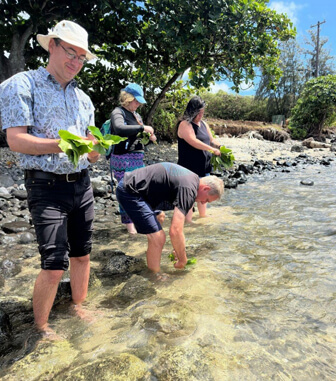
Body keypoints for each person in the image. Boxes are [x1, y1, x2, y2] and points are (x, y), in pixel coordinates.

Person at [0, 20, 100, 336]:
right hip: (45, 185)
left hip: (82, 184)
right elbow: (16, 140)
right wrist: (64, 143)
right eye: (71, 52)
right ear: (52, 45)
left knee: (82, 255)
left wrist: (96, 148)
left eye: (82, 57)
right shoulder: (21, 85)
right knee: (54, 265)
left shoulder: (84, 100)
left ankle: (77, 306)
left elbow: (92, 154)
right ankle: (41, 328)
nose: (76, 62)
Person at [115, 163, 224, 272]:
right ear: (205, 188)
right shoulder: (188, 189)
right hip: (130, 191)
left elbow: (178, 227)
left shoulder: (192, 180)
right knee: (159, 238)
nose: (203, 203)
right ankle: (155, 277)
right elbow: (175, 230)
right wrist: (182, 259)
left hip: (142, 191)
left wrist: (177, 248)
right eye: (207, 200)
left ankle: (153, 250)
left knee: (160, 217)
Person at [109, 83, 157, 234]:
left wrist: (150, 137)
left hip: (137, 160)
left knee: (139, 191)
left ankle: (136, 221)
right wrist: (143, 128)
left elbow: (139, 137)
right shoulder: (118, 112)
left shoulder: (137, 116)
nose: (138, 104)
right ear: (127, 98)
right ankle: (130, 227)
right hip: (122, 158)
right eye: (136, 101)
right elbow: (119, 129)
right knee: (127, 190)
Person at [176, 96, 221, 222]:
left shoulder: (204, 124)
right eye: (199, 112)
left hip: (204, 167)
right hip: (189, 168)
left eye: (202, 112)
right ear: (192, 111)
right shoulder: (184, 124)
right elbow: (193, 141)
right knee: (189, 196)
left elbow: (211, 140)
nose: (201, 115)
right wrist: (211, 150)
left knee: (203, 194)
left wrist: (219, 146)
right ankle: (188, 222)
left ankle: (202, 217)